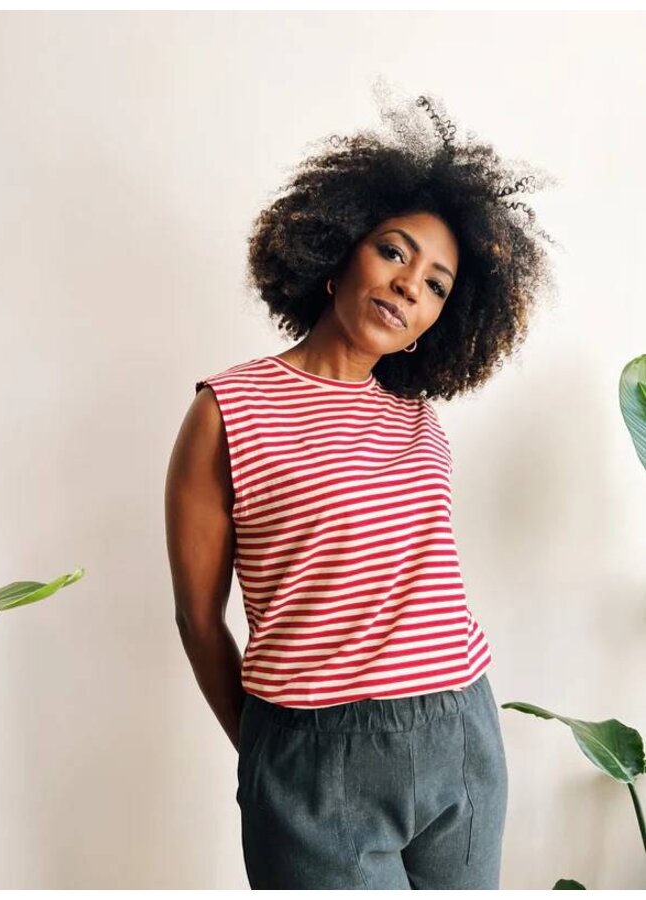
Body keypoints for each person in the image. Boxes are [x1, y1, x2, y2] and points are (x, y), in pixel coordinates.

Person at [164, 83, 558, 890]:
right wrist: (273, 755)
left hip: (460, 728)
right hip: (313, 750)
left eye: (439, 284)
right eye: (394, 250)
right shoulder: (227, 410)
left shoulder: (419, 419)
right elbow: (198, 617)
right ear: (339, 246)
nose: (412, 284)